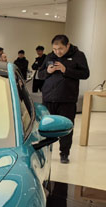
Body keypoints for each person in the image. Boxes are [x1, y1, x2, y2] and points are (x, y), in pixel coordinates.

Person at [38, 34, 90, 164]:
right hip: (49, 98)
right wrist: (48, 71)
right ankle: (45, 152)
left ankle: (64, 153)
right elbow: (40, 74)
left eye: (60, 49)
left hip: (67, 99)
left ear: (68, 45)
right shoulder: (50, 56)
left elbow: (85, 74)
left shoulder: (78, 55)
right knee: (46, 127)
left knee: (66, 127)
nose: (57, 52)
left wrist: (65, 70)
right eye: (55, 49)